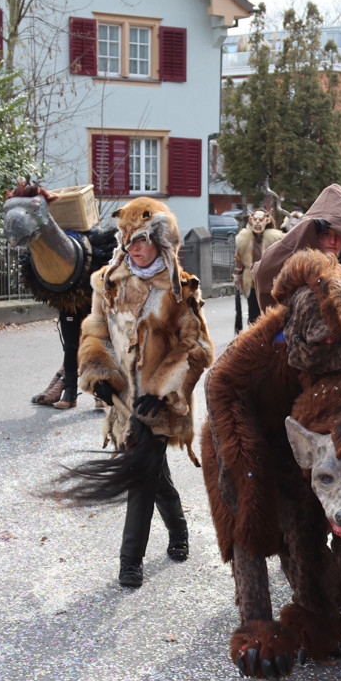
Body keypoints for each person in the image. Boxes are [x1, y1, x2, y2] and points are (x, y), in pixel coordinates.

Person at [76, 198, 215, 587]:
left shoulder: (178, 289)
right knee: (155, 477)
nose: (133, 247)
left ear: (161, 241)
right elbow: (95, 330)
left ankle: (129, 562)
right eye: (128, 239)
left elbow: (197, 347)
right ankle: (180, 529)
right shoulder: (108, 282)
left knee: (139, 475)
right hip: (124, 403)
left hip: (161, 404)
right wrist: (98, 371)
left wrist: (161, 389)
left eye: (141, 239)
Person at [232, 209, 283, 332]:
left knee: (270, 313)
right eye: (256, 220)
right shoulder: (244, 239)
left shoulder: (276, 238)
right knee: (253, 315)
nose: (258, 223)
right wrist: (237, 275)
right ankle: (254, 340)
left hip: (270, 283)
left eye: (261, 220)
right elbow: (239, 258)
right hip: (252, 283)